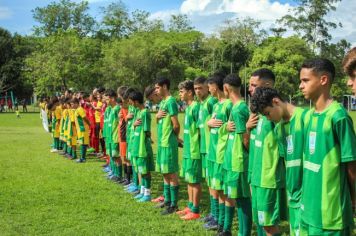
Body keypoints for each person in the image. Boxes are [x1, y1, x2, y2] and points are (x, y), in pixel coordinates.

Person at [299, 58, 356, 234]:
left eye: (305, 80)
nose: (301, 86)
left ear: (323, 80)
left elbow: (351, 166)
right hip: (308, 209)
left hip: (331, 215)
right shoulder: (308, 116)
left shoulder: (338, 117)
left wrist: (353, 200)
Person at [250, 87, 306, 236]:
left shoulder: (306, 118)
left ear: (276, 101)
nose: (267, 118)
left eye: (267, 113)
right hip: (293, 191)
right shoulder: (279, 128)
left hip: (307, 191)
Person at [246, 68, 286, 236]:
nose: (249, 89)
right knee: (261, 221)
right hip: (255, 176)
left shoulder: (275, 116)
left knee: (269, 224)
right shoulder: (257, 113)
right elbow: (249, 146)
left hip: (268, 180)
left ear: (268, 85)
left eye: (253, 85)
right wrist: (247, 129)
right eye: (249, 85)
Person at [220, 74, 252, 236]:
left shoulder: (239, 108)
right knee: (236, 197)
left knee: (242, 199)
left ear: (226, 88)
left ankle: (243, 232)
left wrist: (247, 156)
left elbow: (245, 137)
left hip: (238, 162)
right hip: (232, 161)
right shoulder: (237, 107)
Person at [204, 72, 233, 231]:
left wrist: (223, 127)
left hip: (223, 153)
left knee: (224, 190)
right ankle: (219, 221)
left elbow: (231, 128)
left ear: (216, 86)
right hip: (213, 152)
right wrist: (209, 123)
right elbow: (211, 124)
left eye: (209, 86)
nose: (209, 89)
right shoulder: (215, 105)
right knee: (217, 188)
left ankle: (225, 225)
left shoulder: (229, 105)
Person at [193, 77, 218, 223]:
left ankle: (216, 214)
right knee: (209, 181)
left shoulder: (211, 102)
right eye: (195, 89)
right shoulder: (201, 104)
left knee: (214, 182)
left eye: (200, 88)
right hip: (203, 147)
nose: (197, 91)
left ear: (207, 88)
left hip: (211, 148)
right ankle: (213, 212)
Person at [155, 77, 181, 215]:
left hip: (168, 142)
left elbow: (176, 124)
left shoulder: (171, 101)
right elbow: (159, 119)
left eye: (158, 87)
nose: (156, 90)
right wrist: (157, 116)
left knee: (171, 173)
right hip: (162, 142)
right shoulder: (163, 102)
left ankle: (174, 204)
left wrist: (175, 138)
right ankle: (167, 200)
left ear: (165, 86)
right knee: (165, 172)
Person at [177, 80, 202, 220]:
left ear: (190, 92)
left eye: (182, 91)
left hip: (194, 150)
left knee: (194, 180)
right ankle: (190, 205)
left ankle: (196, 210)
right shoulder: (188, 107)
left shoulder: (196, 107)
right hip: (187, 149)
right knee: (189, 179)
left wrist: (194, 145)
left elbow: (199, 130)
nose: (180, 94)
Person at [129, 90, 154, 202]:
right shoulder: (139, 112)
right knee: (141, 170)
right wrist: (134, 126)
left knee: (145, 171)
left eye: (131, 101)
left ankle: (147, 194)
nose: (130, 103)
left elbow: (147, 131)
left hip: (142, 147)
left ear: (136, 102)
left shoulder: (144, 113)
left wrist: (147, 140)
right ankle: (143, 191)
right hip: (137, 146)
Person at [72, 98, 90, 163]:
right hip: (80, 129)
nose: (72, 105)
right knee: (82, 143)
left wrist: (89, 124)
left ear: (77, 103)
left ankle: (83, 158)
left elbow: (84, 117)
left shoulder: (80, 109)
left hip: (83, 129)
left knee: (83, 144)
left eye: (73, 104)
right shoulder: (76, 110)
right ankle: (82, 157)